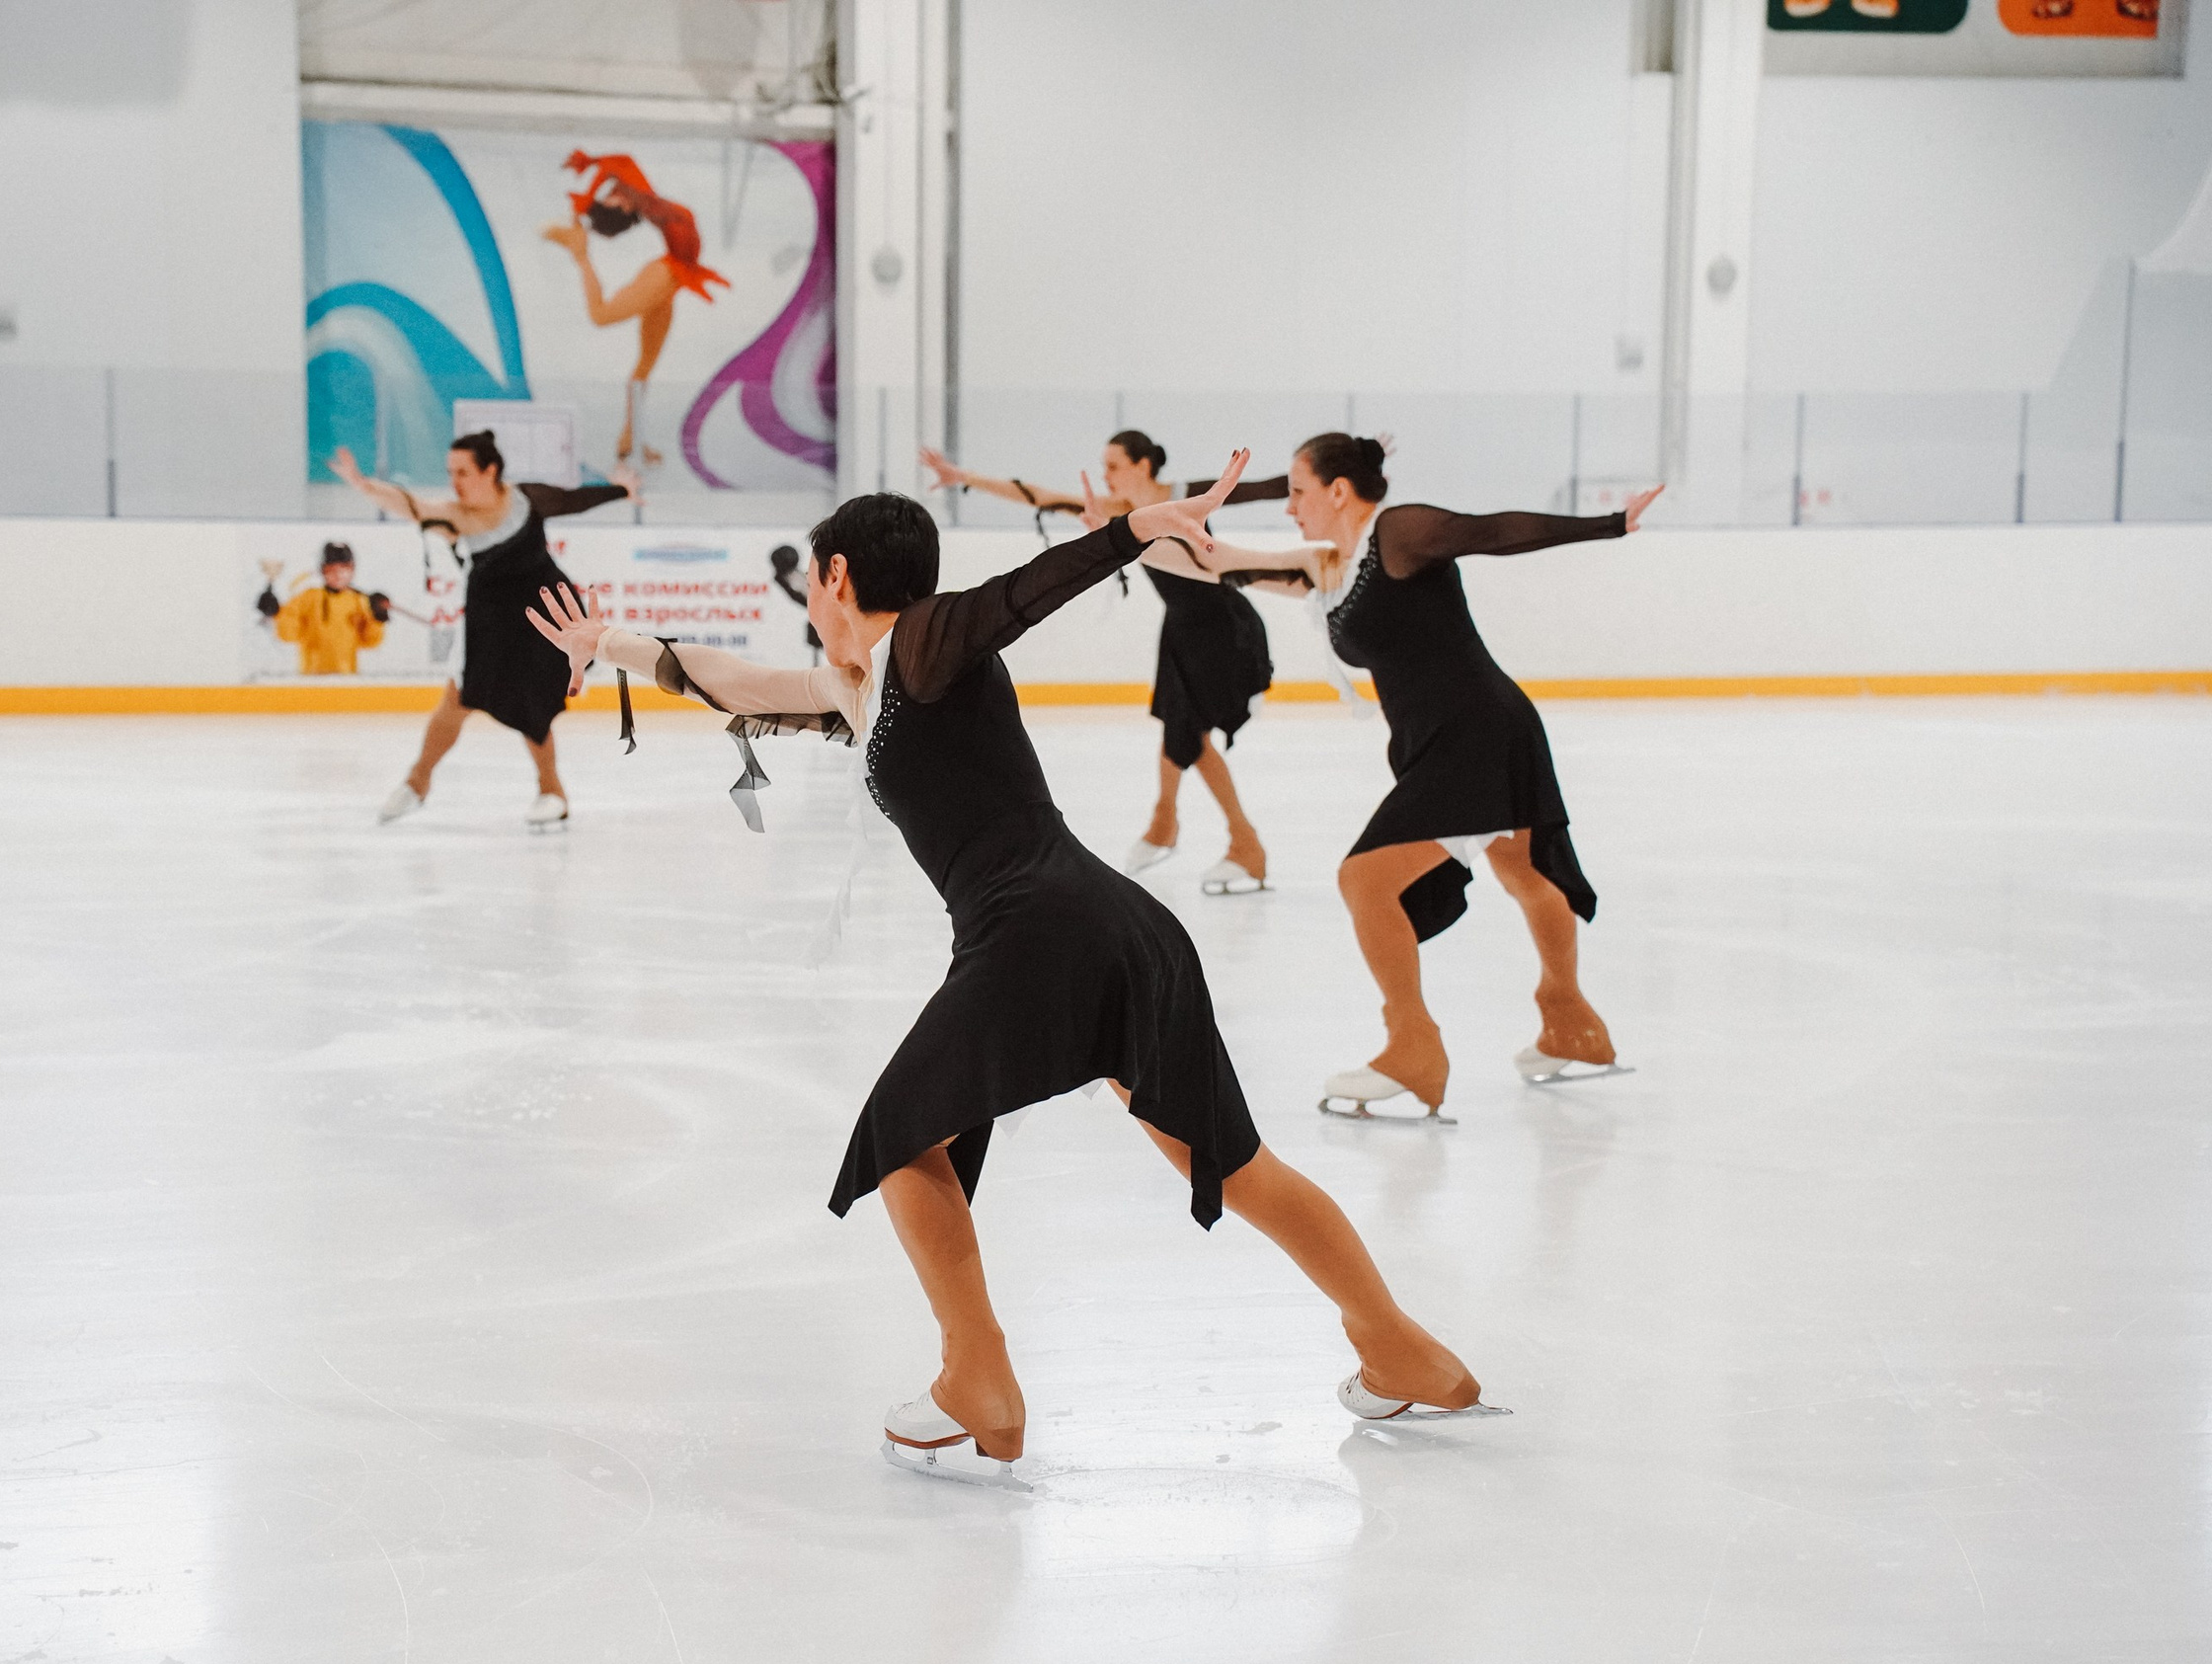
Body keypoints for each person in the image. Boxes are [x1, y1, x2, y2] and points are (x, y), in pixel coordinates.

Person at [525, 453, 1501, 1491]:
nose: (809, 595)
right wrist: (611, 645)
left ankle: (976, 1379)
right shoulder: (866, 685)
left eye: (813, 577)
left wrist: (1131, 532)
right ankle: (1399, 1347)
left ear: (838, 575)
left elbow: (1016, 598)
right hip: (1113, 926)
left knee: (901, 1136)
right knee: (1236, 1164)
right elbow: (740, 684)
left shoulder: (927, 641)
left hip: (1039, 929)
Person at [1197, 435, 1661, 1119]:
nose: (1289, 507)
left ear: (1338, 491)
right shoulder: (1329, 569)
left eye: (1297, 491)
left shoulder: (1398, 534)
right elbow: (1217, 561)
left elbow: (1490, 532)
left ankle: (1413, 1046)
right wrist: (1125, 537)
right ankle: (1571, 1020)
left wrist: (1609, 523)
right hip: (1446, 738)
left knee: (1366, 879)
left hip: (1477, 731)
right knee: (1524, 873)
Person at [921, 434, 1286, 893]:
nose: (1104, 475)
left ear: (1143, 465)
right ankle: (1171, 825)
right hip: (1181, 629)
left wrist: (1350, 472)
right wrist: (964, 477)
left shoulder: (1186, 494)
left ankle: (1235, 842)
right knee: (1180, 727)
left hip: (1222, 627)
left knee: (1188, 735)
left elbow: (1265, 487)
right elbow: (1042, 496)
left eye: (1113, 466)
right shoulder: (1117, 510)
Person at [330, 433, 631, 830]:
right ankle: (417, 783)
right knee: (459, 698)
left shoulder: (525, 499)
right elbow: (410, 505)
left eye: (463, 472)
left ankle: (552, 792)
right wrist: (364, 485)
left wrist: (622, 490)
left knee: (534, 703)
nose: (454, 481)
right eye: (450, 472)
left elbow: (575, 500)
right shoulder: (455, 516)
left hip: (544, 614)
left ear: (490, 471)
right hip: (491, 620)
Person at [543, 151, 729, 469]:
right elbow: (619, 166)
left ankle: (630, 442)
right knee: (601, 315)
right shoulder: (641, 198)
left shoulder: (639, 197)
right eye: (610, 199)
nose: (611, 193)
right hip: (666, 274)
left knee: (644, 367)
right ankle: (580, 254)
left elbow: (616, 166)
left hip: (673, 278)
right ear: (625, 207)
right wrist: (587, 199)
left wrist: (589, 179)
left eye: (609, 195)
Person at [257, 540, 388, 675]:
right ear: (322, 571)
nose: (338, 574)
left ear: (352, 570)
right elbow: (288, 634)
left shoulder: (360, 601)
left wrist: (377, 617)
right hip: (313, 679)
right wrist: (276, 612)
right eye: (331, 569)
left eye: (344, 568)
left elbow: (371, 641)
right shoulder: (308, 598)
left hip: (348, 678)